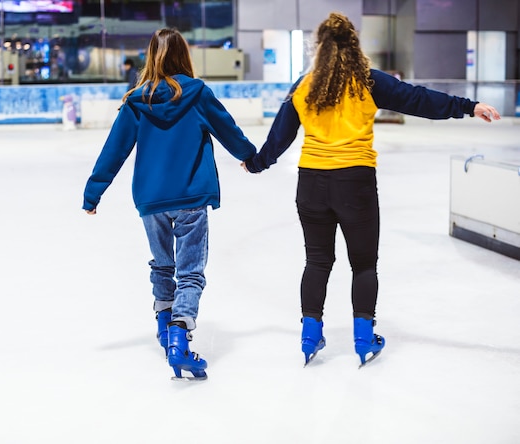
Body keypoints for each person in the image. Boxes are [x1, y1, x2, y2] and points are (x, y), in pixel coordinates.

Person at [242, 12, 500, 368]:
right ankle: (364, 338)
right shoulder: (367, 81)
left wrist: (255, 163)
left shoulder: (303, 86)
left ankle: (309, 334)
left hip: (311, 184)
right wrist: (468, 107)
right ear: (353, 44)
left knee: (317, 261)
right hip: (355, 183)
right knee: (363, 264)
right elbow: (418, 99)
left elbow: (278, 138)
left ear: (318, 47)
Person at [83, 28, 257, 380]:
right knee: (190, 271)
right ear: (184, 55)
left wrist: (93, 192)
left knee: (163, 265)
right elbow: (228, 130)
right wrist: (250, 157)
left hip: (151, 200)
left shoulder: (137, 100)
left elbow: (114, 151)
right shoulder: (197, 94)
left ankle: (165, 329)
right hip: (191, 196)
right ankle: (179, 337)